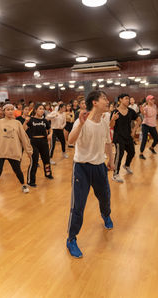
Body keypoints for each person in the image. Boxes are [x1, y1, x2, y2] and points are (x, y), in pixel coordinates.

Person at [66, 90, 114, 258]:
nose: (108, 102)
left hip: (100, 166)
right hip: (82, 167)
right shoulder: (82, 121)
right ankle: (71, 239)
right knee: (78, 205)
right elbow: (70, 141)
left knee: (105, 197)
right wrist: (79, 124)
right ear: (94, 102)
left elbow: (108, 142)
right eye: (104, 99)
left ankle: (106, 215)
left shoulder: (104, 120)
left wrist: (111, 160)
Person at [0, 103, 32, 208]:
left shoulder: (17, 123)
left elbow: (24, 137)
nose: (9, 111)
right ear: (4, 111)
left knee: (17, 170)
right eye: (7, 109)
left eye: (11, 109)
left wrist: (28, 150)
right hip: (0, 152)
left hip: (13, 152)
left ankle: (23, 184)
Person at [110, 93, 141, 183]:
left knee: (132, 152)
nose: (128, 100)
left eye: (128, 99)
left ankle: (127, 165)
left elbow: (139, 120)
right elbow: (111, 126)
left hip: (128, 136)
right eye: (126, 98)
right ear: (120, 100)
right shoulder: (115, 112)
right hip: (118, 137)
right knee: (119, 155)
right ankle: (115, 174)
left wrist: (134, 130)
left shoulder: (131, 111)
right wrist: (113, 119)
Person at [24, 103, 53, 187]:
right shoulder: (31, 120)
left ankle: (48, 174)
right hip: (34, 142)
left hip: (43, 141)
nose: (42, 110)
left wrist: (50, 134)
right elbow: (23, 130)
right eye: (40, 108)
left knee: (46, 160)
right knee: (34, 161)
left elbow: (50, 129)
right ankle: (31, 181)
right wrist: (25, 122)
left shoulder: (45, 121)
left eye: (43, 109)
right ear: (35, 110)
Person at [139, 95, 158, 160]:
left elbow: (157, 111)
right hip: (146, 125)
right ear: (148, 100)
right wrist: (141, 109)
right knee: (144, 139)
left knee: (156, 139)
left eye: (153, 99)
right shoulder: (146, 107)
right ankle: (141, 154)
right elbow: (143, 113)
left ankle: (151, 148)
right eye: (151, 99)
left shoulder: (154, 106)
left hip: (153, 125)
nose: (153, 100)